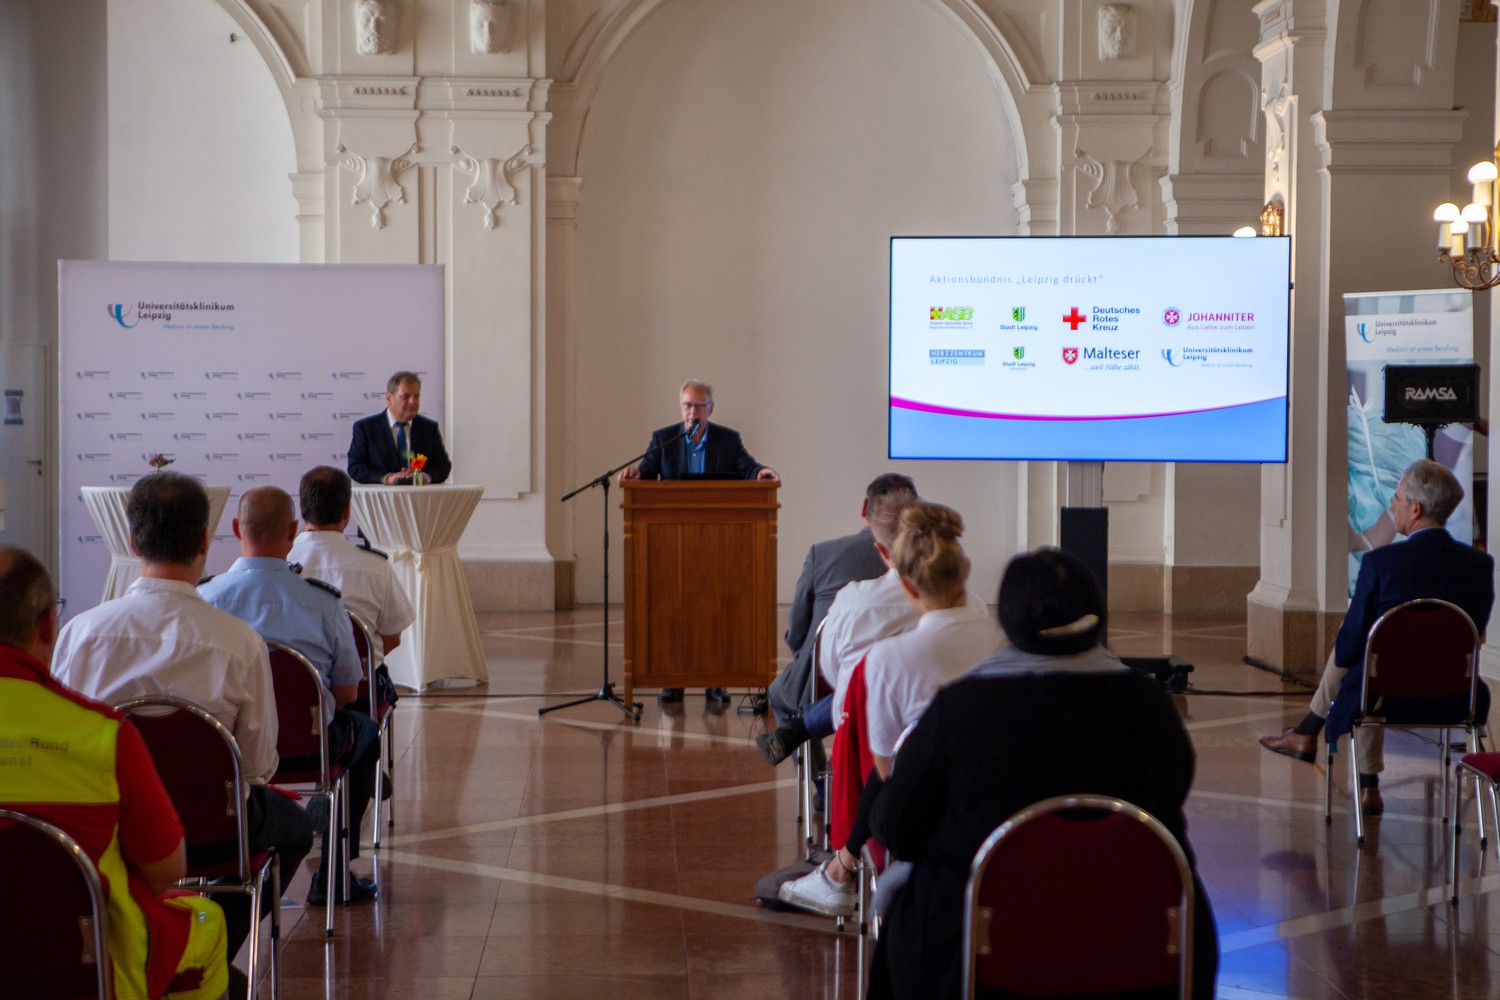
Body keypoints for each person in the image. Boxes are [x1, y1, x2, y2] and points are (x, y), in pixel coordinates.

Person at [866, 547, 1217, 1000]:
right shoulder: (1149, 704)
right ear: (1097, 614)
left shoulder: (960, 709)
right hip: (1138, 952)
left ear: (1008, 621)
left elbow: (901, 830)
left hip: (978, 958)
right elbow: (1175, 792)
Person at [50, 473, 312, 979]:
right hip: (214, 829)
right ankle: (211, 950)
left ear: (132, 542)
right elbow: (257, 766)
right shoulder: (239, 642)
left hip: (108, 826)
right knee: (298, 828)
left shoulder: (79, 635)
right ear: (203, 543)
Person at [2, 545, 231, 1000]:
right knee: (208, 924)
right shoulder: (102, 733)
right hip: (93, 970)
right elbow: (167, 868)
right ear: (49, 625)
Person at [780, 502, 1003, 918]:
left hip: (925, 827)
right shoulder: (999, 639)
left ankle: (839, 870)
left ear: (907, 585)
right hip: (999, 807)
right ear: (967, 569)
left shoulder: (887, 660)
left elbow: (884, 768)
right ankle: (837, 871)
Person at [1259, 458, 1493, 815]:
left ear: (1416, 509)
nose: (1391, 505)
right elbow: (1476, 632)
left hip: (1383, 698)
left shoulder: (1381, 563)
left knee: (1365, 657)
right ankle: (1312, 735)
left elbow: (1352, 645)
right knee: (1373, 656)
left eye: (1397, 498)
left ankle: (1360, 778)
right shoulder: (1480, 566)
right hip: (1458, 700)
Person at [199, 486, 381, 905]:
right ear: (292, 531)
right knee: (365, 733)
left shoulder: (207, 599)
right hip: (313, 746)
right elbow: (349, 690)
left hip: (230, 750)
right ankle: (335, 872)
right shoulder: (322, 602)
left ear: (233, 529)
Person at [619, 378, 779, 704]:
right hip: (671, 547)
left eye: (699, 406)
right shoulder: (664, 439)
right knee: (674, 611)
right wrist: (637, 474)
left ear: (710, 409)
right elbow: (648, 472)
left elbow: (748, 467)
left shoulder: (728, 439)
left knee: (714, 610)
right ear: (681, 408)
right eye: (687, 405)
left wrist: (761, 472)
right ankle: (672, 681)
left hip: (716, 545)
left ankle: (715, 682)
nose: (692, 412)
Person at [758, 474, 920, 765]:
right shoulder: (932, 566)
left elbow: (798, 632)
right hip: (913, 686)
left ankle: (819, 785)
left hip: (823, 684)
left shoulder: (824, 555)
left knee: (779, 693)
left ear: (864, 509)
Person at [289, 465, 415, 674]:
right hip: (362, 695)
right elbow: (392, 638)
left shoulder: (280, 563)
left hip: (296, 691)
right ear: (347, 510)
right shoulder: (376, 567)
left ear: (302, 506)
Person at [347, 370, 453, 485]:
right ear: (389, 398)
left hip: (420, 498)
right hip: (382, 499)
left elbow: (443, 466)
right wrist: (387, 478)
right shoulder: (366, 428)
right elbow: (356, 468)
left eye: (416, 396)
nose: (412, 402)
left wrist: (424, 476)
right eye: (406, 397)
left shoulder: (429, 428)